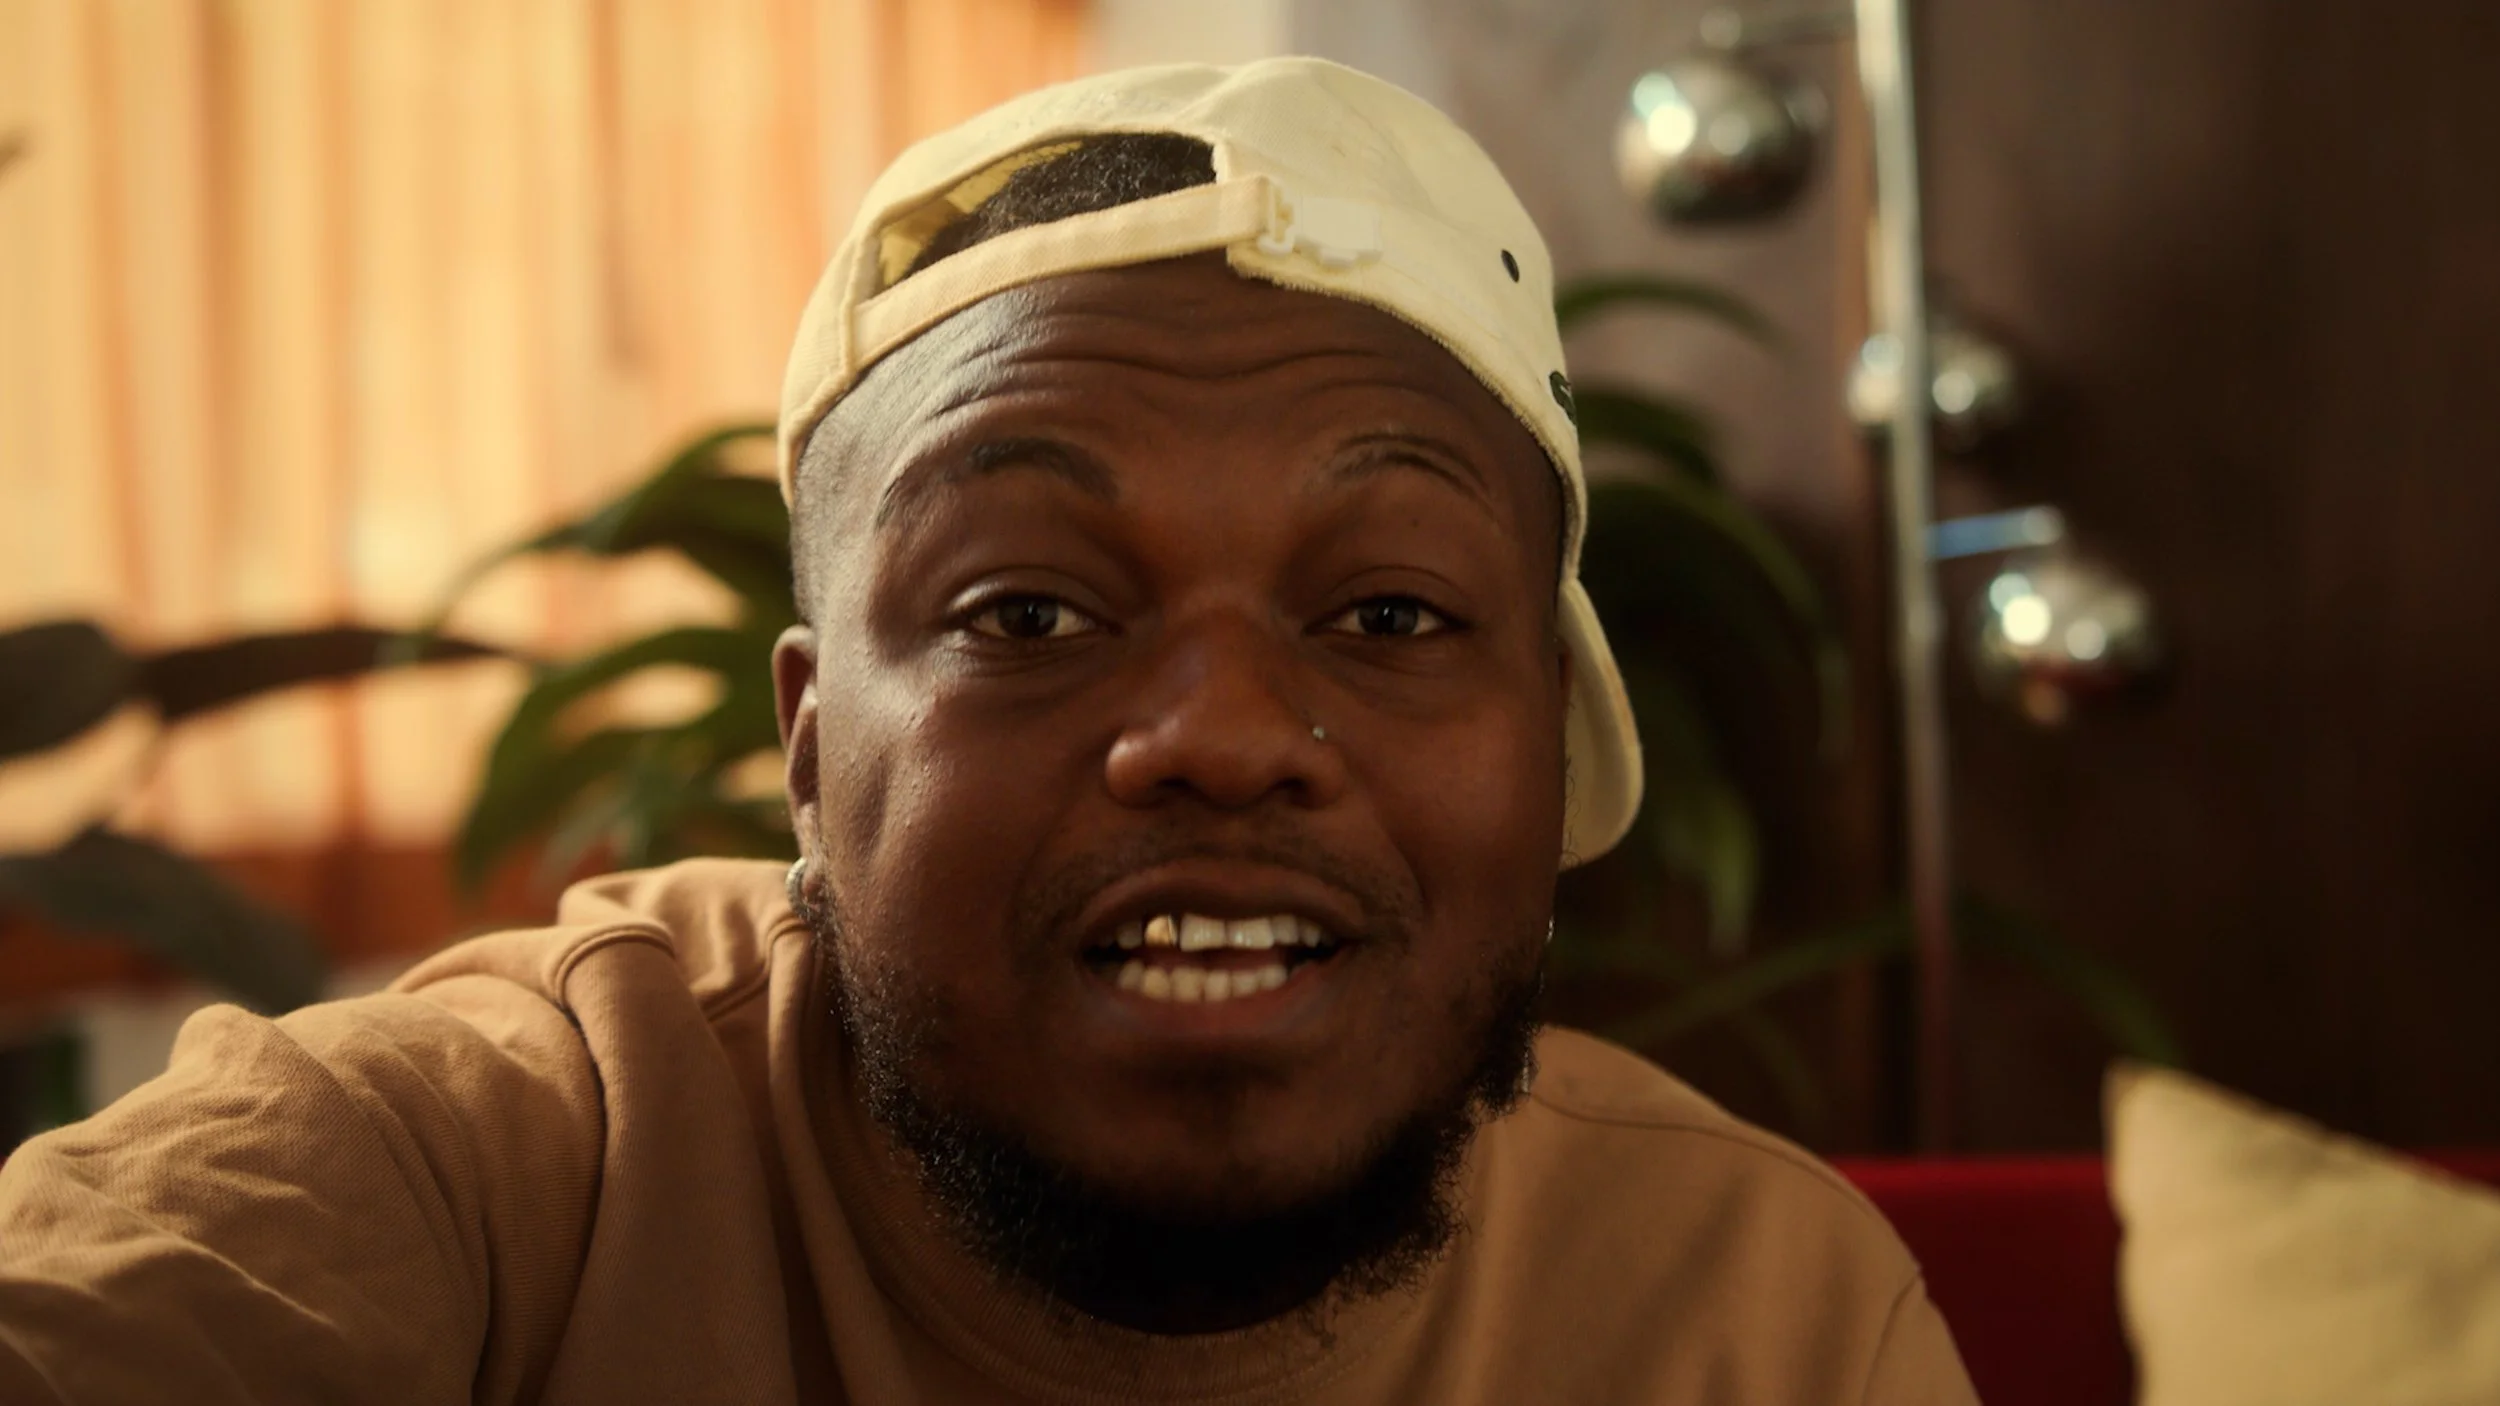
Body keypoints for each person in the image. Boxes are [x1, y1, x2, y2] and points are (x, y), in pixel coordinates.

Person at [0, 58, 1977, 1404]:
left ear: (1543, 738)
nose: (1216, 735)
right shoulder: (501, 1168)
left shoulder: (1763, 1324)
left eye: (1386, 611)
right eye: (1024, 609)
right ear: (804, 749)